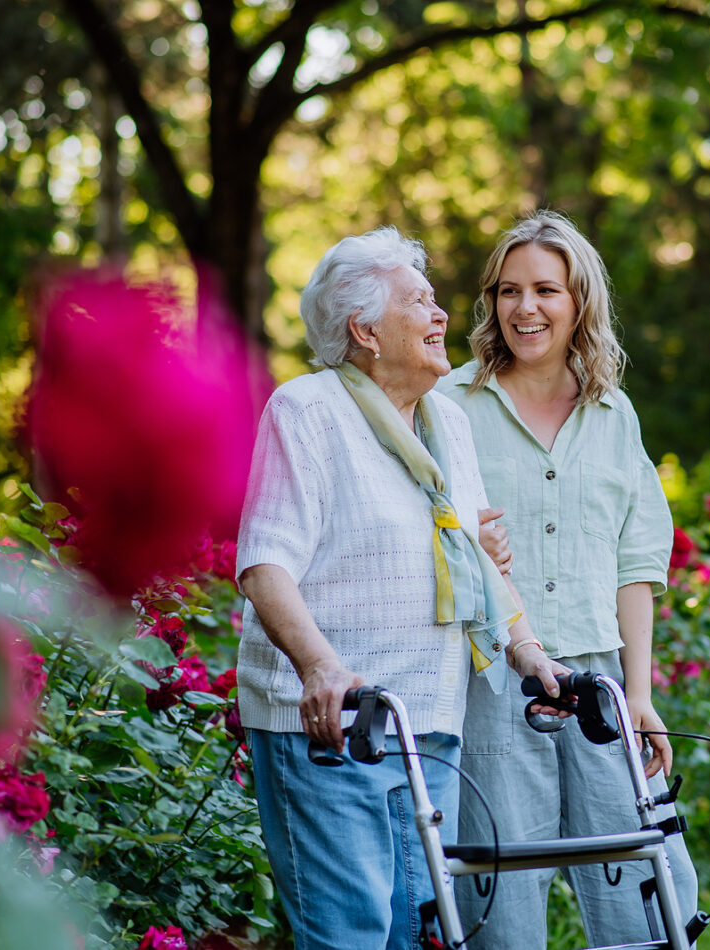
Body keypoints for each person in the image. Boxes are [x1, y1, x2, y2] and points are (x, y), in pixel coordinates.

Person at [235, 226, 564, 950]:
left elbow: (476, 559)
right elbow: (265, 562)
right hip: (333, 727)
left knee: (421, 935)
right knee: (352, 933)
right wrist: (319, 665)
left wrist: (529, 651)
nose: (442, 314)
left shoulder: (445, 420)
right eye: (419, 301)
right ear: (365, 330)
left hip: (428, 725)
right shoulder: (309, 411)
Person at [436, 210, 699, 949]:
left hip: (599, 684)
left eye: (546, 289)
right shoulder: (449, 407)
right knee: (499, 896)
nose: (525, 308)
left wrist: (638, 694)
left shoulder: (614, 415)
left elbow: (637, 564)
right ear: (491, 302)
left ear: (579, 300)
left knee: (646, 891)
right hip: (492, 682)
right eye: (508, 290)